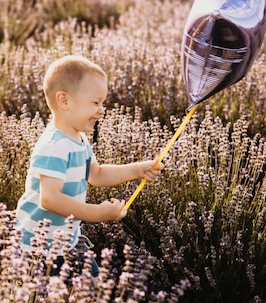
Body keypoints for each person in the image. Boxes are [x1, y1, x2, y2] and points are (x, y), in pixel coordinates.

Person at [15, 55, 164, 277]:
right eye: (95, 103)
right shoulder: (53, 146)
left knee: (91, 293)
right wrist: (97, 213)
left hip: (70, 240)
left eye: (102, 103)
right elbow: (50, 198)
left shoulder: (78, 139)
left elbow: (96, 173)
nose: (102, 110)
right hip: (41, 250)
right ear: (64, 101)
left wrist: (138, 170)